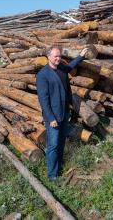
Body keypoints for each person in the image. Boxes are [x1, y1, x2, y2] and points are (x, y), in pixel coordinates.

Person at [36, 45, 89, 180]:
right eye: (55, 56)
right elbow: (43, 99)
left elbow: (70, 66)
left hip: (65, 112)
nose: (58, 58)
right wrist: (50, 117)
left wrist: (81, 55)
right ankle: (52, 175)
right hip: (53, 116)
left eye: (59, 56)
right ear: (48, 57)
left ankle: (59, 164)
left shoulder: (61, 68)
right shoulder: (43, 75)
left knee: (61, 141)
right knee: (53, 145)